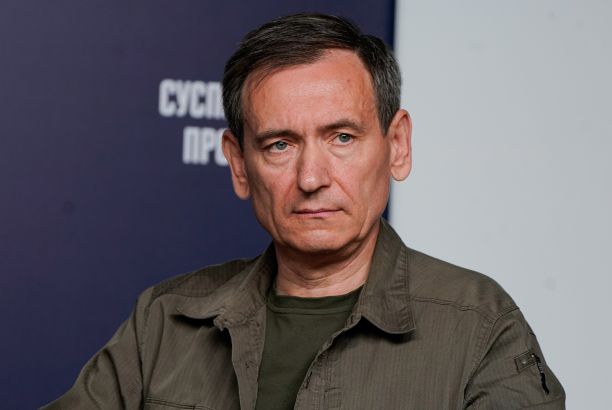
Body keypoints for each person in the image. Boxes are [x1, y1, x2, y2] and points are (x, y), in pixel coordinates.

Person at [43, 13, 565, 410]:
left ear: (397, 145)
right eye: (280, 145)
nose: (312, 178)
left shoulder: (478, 327)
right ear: (239, 165)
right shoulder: (165, 321)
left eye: (342, 137)